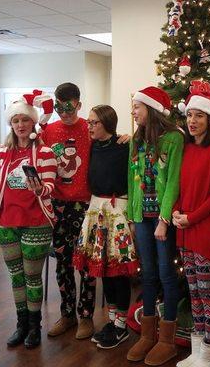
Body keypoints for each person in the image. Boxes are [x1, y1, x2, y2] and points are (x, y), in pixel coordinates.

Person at [0, 94, 57, 349]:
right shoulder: (3, 153)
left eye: (25, 119)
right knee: (16, 276)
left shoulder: (45, 152)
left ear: (33, 122)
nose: (21, 125)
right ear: (11, 124)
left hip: (36, 221)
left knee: (32, 276)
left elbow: (50, 187)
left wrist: (39, 190)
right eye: (16, 120)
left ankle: (35, 327)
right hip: (6, 222)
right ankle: (21, 325)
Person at [172, 81, 210, 367]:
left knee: (208, 293)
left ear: (209, 118)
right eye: (189, 115)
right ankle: (198, 353)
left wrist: (191, 217)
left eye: (199, 116)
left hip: (207, 232)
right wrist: (174, 211)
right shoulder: (185, 148)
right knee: (193, 292)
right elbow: (178, 185)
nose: (192, 121)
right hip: (185, 231)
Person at [73, 105, 139, 350]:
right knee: (102, 271)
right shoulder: (92, 147)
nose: (89, 126)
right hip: (96, 209)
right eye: (89, 122)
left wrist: (131, 218)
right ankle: (112, 322)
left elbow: (135, 180)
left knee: (118, 271)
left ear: (107, 124)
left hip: (117, 210)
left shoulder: (124, 146)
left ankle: (121, 325)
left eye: (94, 123)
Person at [126, 86, 184, 366]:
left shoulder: (173, 139)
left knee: (166, 274)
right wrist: (132, 217)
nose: (134, 111)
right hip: (142, 218)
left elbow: (173, 182)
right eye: (133, 107)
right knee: (147, 274)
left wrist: (163, 220)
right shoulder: (136, 140)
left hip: (162, 222)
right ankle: (147, 335)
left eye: (138, 106)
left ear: (151, 109)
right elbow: (130, 180)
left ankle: (167, 340)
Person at [41, 83, 97, 340]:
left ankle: (86, 316)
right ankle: (67, 315)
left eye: (68, 106)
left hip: (86, 205)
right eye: (58, 107)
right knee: (62, 264)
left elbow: (111, 145)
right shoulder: (48, 131)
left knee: (85, 263)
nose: (63, 112)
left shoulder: (91, 128)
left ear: (78, 105)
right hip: (58, 205)